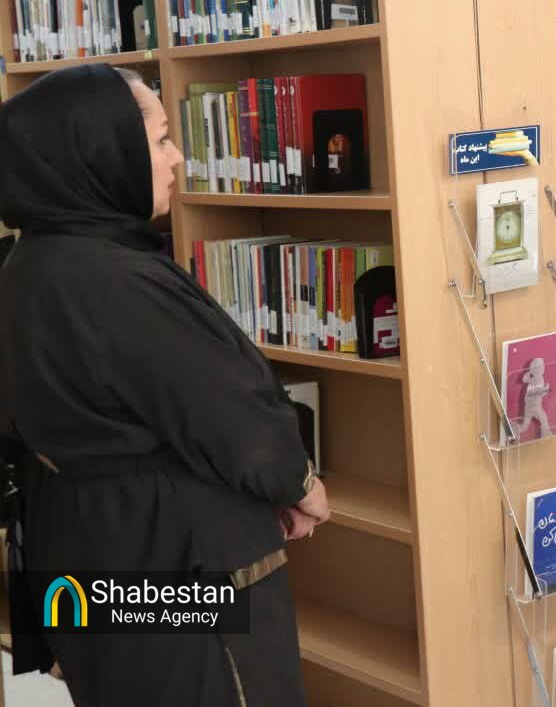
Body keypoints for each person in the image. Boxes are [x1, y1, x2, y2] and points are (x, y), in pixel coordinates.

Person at [0, 64, 330, 706]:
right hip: (172, 555)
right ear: (103, 153)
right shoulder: (120, 282)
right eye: (158, 140)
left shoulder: (23, 267)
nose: (177, 157)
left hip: (76, 544)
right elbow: (227, 414)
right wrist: (300, 485)